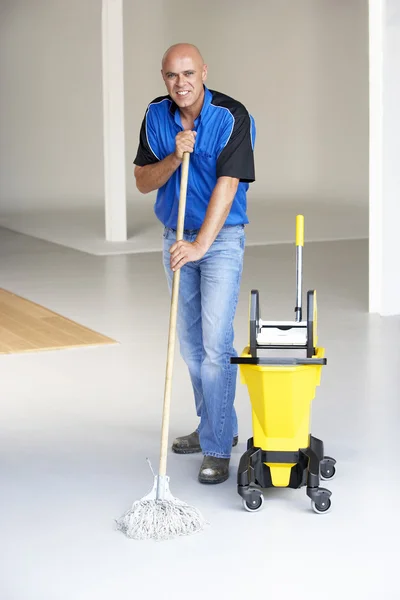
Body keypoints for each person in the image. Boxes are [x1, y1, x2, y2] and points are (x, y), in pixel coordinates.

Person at [133, 43, 256, 484]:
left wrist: (201, 244)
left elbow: (228, 185)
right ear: (163, 78)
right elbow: (143, 181)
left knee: (215, 346)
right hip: (175, 237)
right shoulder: (155, 116)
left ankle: (219, 447)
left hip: (219, 241)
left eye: (188, 73)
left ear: (203, 71)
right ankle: (212, 428)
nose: (181, 83)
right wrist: (174, 155)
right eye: (171, 76)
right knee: (189, 347)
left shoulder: (232, 116)